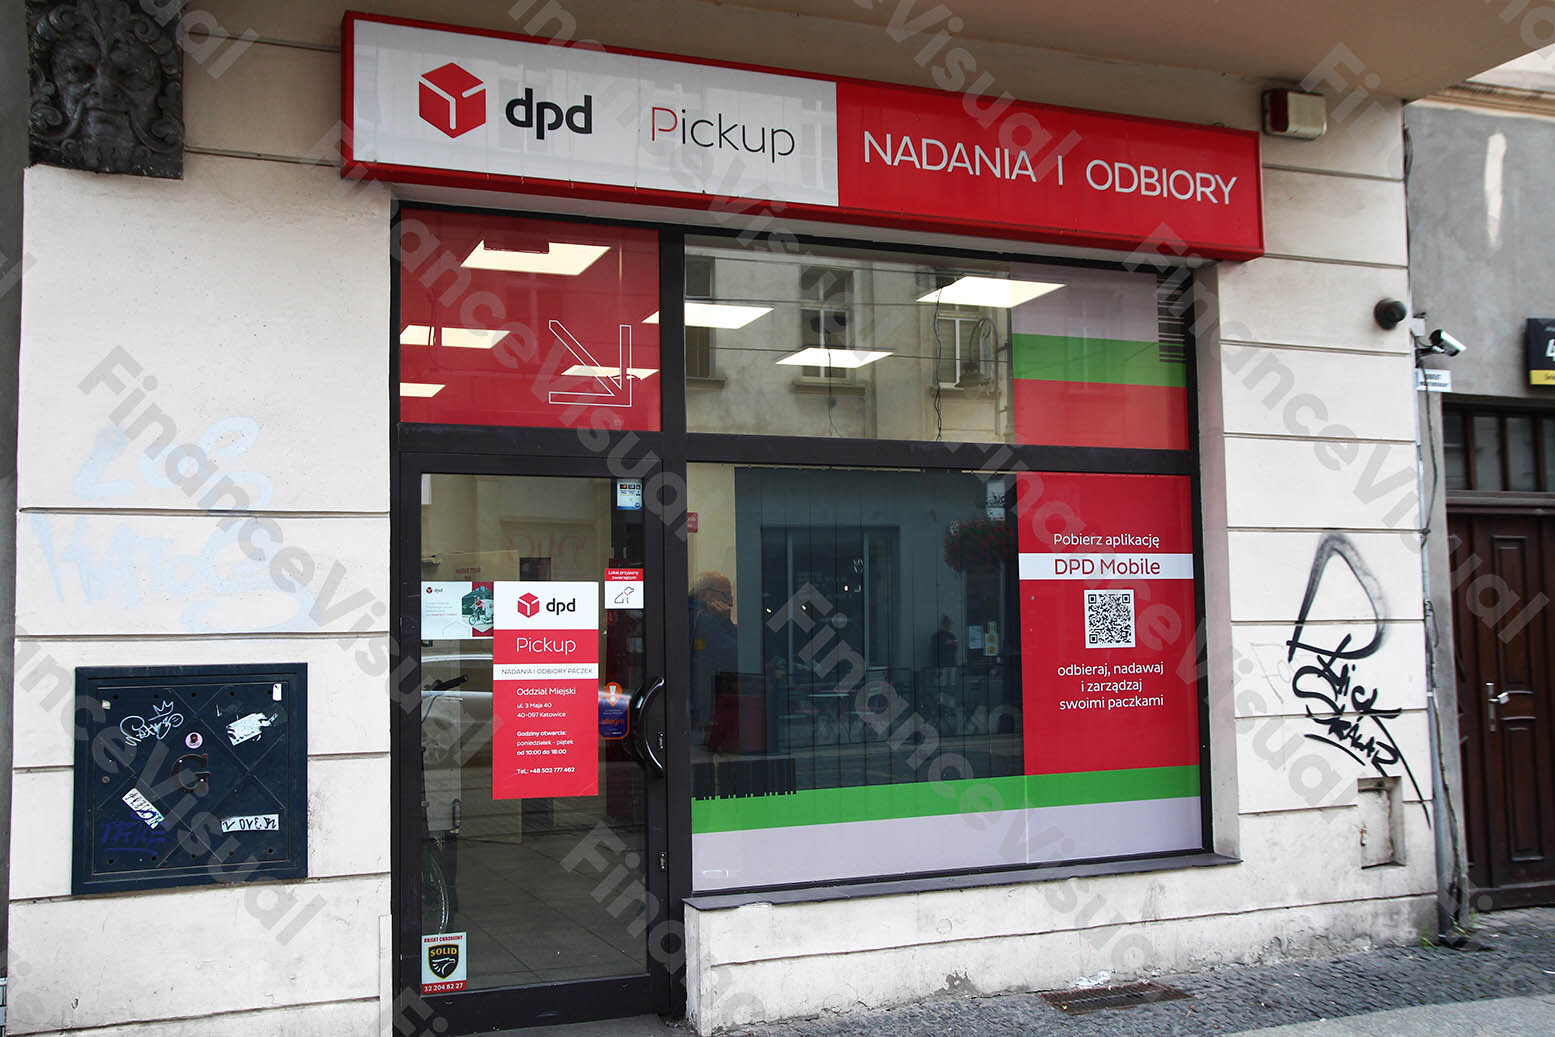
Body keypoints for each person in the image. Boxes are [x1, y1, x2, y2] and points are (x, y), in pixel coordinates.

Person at [690, 571, 737, 741]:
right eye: (725, 595)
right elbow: (736, 656)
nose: (730, 602)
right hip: (702, 705)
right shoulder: (705, 620)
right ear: (705, 595)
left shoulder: (687, 612)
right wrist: (726, 622)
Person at [932, 615, 959, 690]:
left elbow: (955, 648)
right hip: (942, 664)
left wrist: (952, 643)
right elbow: (935, 649)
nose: (950, 626)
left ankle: (951, 694)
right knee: (941, 683)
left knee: (952, 683)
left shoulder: (952, 635)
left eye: (950, 624)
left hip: (951, 663)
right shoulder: (937, 636)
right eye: (948, 624)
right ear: (944, 624)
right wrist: (945, 643)